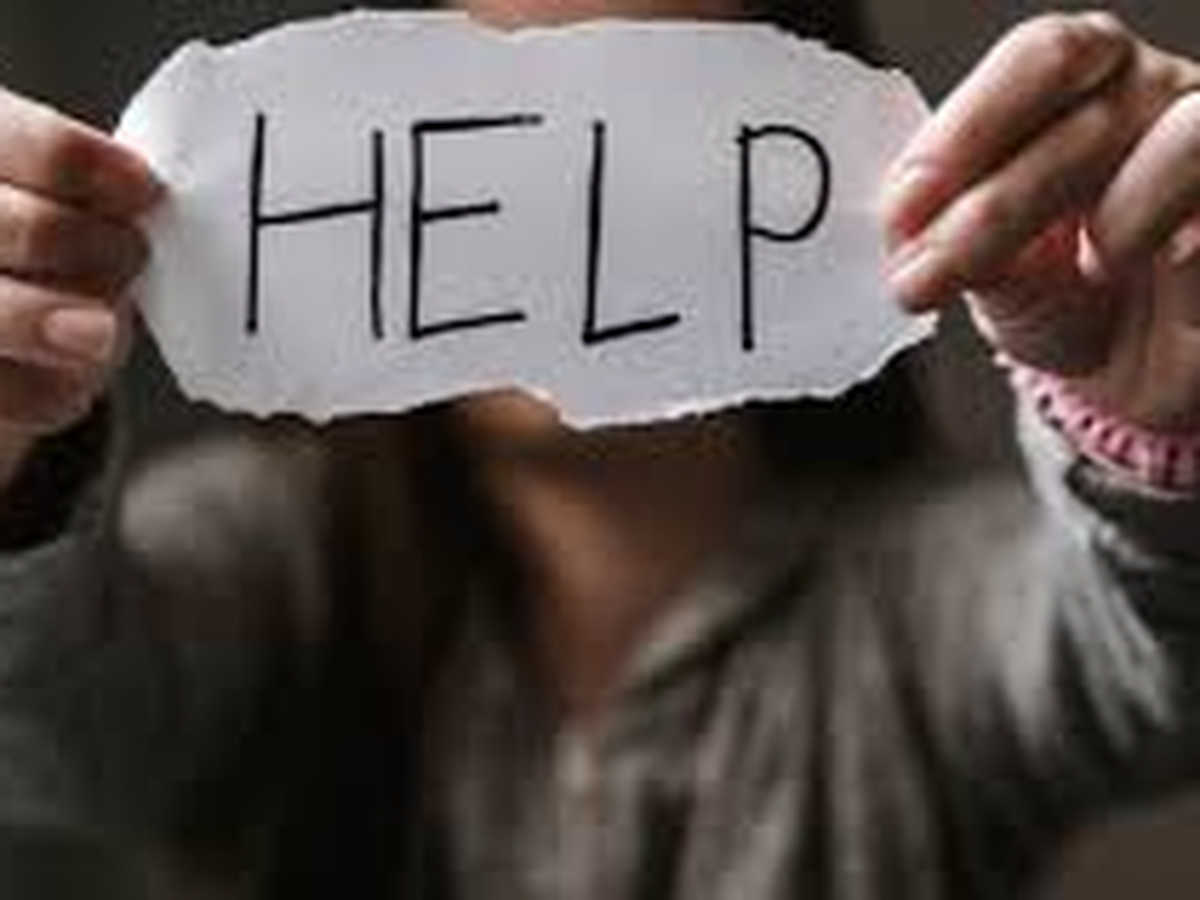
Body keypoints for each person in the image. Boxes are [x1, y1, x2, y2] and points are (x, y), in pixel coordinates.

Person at [1, 0, 1200, 898]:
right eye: (484, 135)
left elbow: (1154, 663)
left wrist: (1149, 421)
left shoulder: (933, 601)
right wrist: (13, 459)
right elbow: (46, 734)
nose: (552, 224)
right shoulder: (265, 561)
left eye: (643, 135)